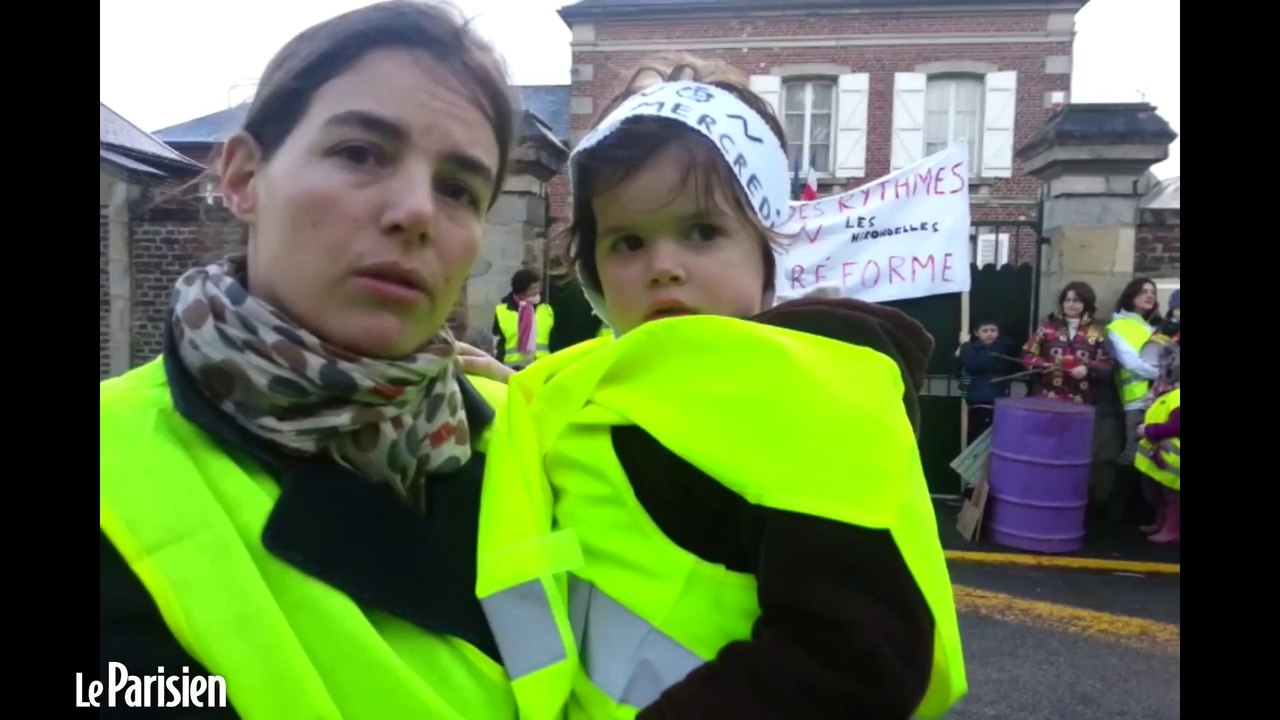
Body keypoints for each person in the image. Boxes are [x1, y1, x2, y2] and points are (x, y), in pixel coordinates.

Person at [474, 56, 966, 720]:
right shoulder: (584, 385)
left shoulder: (812, 399)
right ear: (592, 273)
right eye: (627, 242)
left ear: (766, 251)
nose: (663, 267)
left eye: (702, 232)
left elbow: (855, 657)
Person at [99, 2, 522, 717]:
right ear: (241, 176)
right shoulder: (115, 469)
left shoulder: (537, 437)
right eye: (360, 152)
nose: (416, 211)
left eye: (458, 188)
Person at [1106, 277, 1163, 521]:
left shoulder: (1152, 328)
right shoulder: (1117, 327)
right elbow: (1133, 364)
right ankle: (1117, 507)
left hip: (1162, 399)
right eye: (1143, 291)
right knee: (1133, 450)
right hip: (1137, 401)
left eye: (1152, 291)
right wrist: (1168, 374)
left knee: (1159, 453)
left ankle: (1147, 509)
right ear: (1131, 296)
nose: (1149, 296)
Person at [1021, 282, 1115, 404]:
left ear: (1086, 303)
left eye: (1076, 301)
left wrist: (1087, 368)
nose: (1071, 304)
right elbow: (1026, 355)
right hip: (1047, 398)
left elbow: (1108, 364)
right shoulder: (1047, 329)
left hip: (1081, 400)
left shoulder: (1096, 332)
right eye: (1067, 300)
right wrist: (1042, 365)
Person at [1134, 333, 1180, 543]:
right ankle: (1162, 523)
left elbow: (1176, 425)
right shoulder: (1165, 390)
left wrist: (1149, 431)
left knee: (1173, 496)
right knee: (1158, 493)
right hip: (1161, 454)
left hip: (1172, 458)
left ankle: (1171, 530)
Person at [956, 318, 1018, 445]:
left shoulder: (1002, 347)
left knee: (988, 444)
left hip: (992, 403)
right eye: (985, 331)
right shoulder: (973, 349)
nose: (990, 334)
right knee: (974, 443)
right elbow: (961, 370)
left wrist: (965, 345)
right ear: (976, 333)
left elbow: (972, 364)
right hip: (975, 403)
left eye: (993, 330)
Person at [493, 267, 554, 368]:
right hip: (513, 370)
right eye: (533, 288)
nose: (537, 291)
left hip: (543, 369)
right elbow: (498, 345)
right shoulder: (502, 311)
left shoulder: (546, 310)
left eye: (538, 287)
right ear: (521, 291)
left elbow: (554, 341)